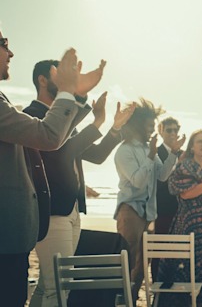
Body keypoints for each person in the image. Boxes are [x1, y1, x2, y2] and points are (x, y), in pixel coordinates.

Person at [0, 34, 102, 307]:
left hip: (25, 228)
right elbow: (51, 141)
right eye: (4, 44)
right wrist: (72, 93)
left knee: (46, 289)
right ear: (44, 80)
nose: (11, 53)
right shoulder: (28, 110)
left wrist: (77, 96)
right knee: (54, 288)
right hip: (17, 227)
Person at [23, 59, 133, 307]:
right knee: (59, 286)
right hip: (51, 211)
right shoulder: (33, 116)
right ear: (42, 79)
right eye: (58, 74)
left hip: (72, 209)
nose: (66, 81)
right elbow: (62, 151)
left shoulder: (61, 120)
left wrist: (114, 129)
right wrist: (96, 123)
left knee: (47, 284)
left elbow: (95, 155)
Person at [113, 98, 185, 301]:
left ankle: (132, 299)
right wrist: (152, 155)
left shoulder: (147, 149)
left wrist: (172, 152)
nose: (153, 130)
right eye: (150, 126)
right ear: (137, 125)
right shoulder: (124, 150)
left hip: (147, 213)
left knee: (142, 264)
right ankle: (124, 300)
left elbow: (162, 175)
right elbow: (137, 181)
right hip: (130, 211)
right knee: (130, 261)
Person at [156, 129, 202, 307]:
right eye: (200, 142)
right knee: (181, 269)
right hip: (187, 224)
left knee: (201, 270)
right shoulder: (184, 166)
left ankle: (198, 304)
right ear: (192, 147)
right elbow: (186, 195)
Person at [151, 117, 182, 280]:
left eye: (175, 130)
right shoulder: (155, 152)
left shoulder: (185, 154)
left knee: (179, 251)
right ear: (160, 131)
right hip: (162, 209)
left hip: (182, 212)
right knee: (160, 250)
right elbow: (159, 181)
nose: (172, 133)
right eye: (168, 130)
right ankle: (157, 287)